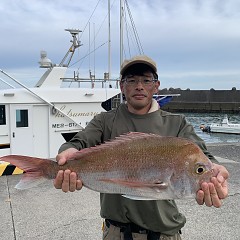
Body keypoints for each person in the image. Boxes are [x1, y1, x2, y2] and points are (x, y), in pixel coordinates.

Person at [54, 55, 229, 240]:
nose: (139, 86)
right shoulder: (104, 120)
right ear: (122, 86)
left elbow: (205, 156)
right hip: (116, 233)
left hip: (164, 234)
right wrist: (66, 153)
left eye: (146, 80)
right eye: (132, 80)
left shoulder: (177, 123)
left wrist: (214, 172)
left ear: (156, 85)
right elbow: (78, 142)